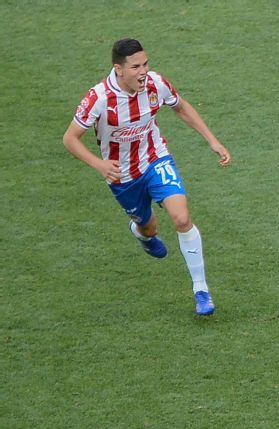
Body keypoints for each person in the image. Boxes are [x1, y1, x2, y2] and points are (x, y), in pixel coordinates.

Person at [62, 38, 230, 316]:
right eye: (136, 67)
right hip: (122, 176)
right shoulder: (99, 98)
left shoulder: (155, 83)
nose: (143, 72)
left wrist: (212, 140)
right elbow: (70, 138)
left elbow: (181, 107)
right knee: (149, 227)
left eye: (145, 64)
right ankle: (142, 233)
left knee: (182, 218)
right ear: (119, 69)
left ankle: (201, 290)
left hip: (155, 159)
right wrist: (98, 164)